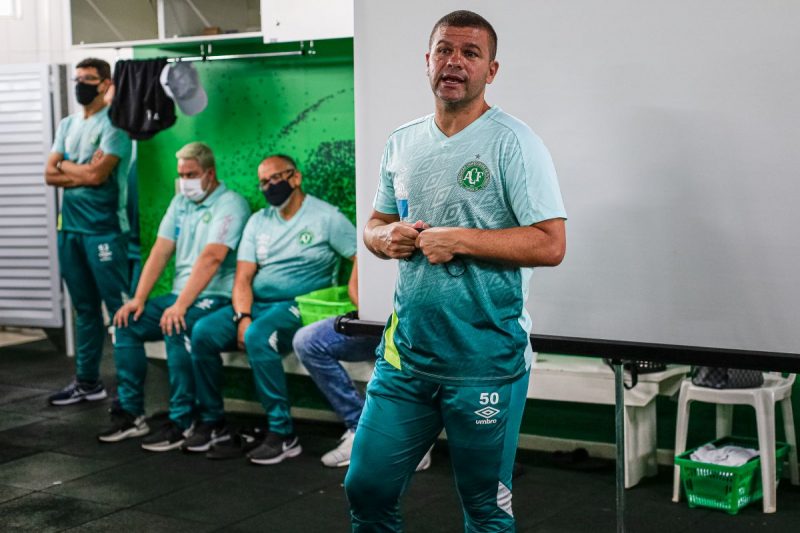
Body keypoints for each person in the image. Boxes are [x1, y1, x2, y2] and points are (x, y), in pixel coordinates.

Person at [346, 10, 567, 531]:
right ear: (427, 61)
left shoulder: (514, 143)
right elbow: (374, 225)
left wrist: (461, 240)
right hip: (406, 358)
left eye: (471, 53)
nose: (455, 62)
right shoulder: (402, 141)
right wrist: (386, 237)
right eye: (445, 50)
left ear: (491, 71)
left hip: (485, 361)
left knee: (484, 509)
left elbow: (551, 243)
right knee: (366, 487)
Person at [188, 155, 357, 464]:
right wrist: (242, 316)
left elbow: (361, 255)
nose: (269, 187)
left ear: (295, 178)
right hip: (256, 304)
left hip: (299, 305)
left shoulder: (326, 217)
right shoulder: (258, 221)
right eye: (263, 182)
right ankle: (213, 422)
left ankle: (282, 434)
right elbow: (243, 277)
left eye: (275, 179)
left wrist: (355, 294)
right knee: (202, 333)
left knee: (257, 337)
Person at [98, 142, 250, 450]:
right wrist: (139, 298)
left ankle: (183, 421)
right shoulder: (181, 202)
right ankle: (132, 413)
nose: (184, 181)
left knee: (175, 325)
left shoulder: (231, 204)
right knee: (126, 323)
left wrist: (180, 306)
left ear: (210, 173)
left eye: (191, 174)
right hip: (180, 294)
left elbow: (212, 257)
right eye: (181, 174)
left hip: (214, 296)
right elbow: (160, 249)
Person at [44, 58, 133, 406]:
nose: (81, 84)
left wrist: (67, 166)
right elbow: (49, 174)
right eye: (77, 78)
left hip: (105, 229)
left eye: (89, 79)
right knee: (84, 308)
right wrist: (77, 168)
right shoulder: (67, 124)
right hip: (70, 228)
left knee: (120, 310)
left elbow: (99, 177)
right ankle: (87, 382)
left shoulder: (115, 126)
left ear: (106, 84)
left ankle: (130, 391)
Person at [292, 262, 433, 471]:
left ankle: (415, 440)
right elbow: (356, 286)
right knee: (308, 341)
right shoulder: (373, 230)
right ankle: (360, 429)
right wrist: (373, 317)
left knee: (419, 338)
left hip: (420, 326)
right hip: (378, 325)